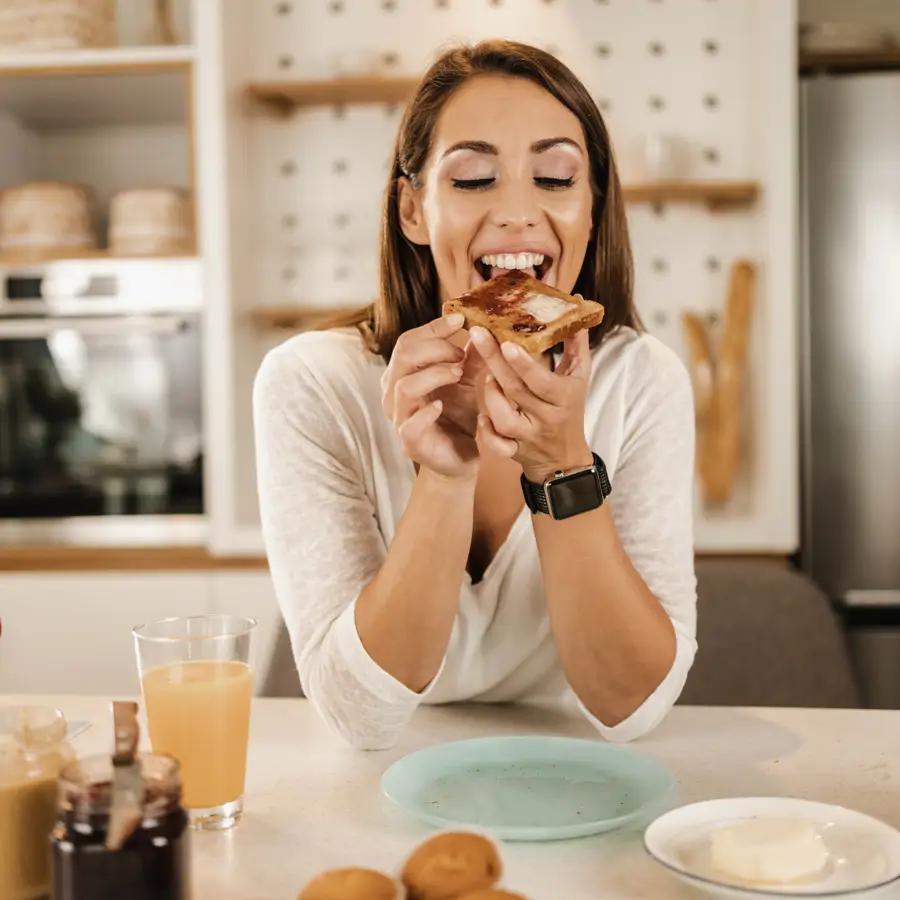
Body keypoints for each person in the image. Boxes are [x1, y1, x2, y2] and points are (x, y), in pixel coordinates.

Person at [253, 39, 697, 750]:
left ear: (591, 211)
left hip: (575, 776)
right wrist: (445, 475)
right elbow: (359, 720)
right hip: (378, 785)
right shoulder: (311, 386)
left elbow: (634, 709)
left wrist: (560, 467)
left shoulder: (642, 381)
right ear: (412, 210)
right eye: (472, 179)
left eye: (555, 178)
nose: (518, 212)